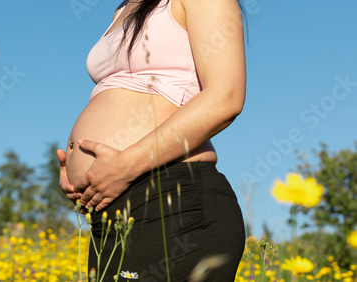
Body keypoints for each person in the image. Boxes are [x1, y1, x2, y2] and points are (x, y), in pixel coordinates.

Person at [57, 0, 247, 280]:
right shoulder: (123, 9)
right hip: (114, 213)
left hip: (174, 200)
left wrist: (127, 163)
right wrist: (82, 177)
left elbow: (226, 97)